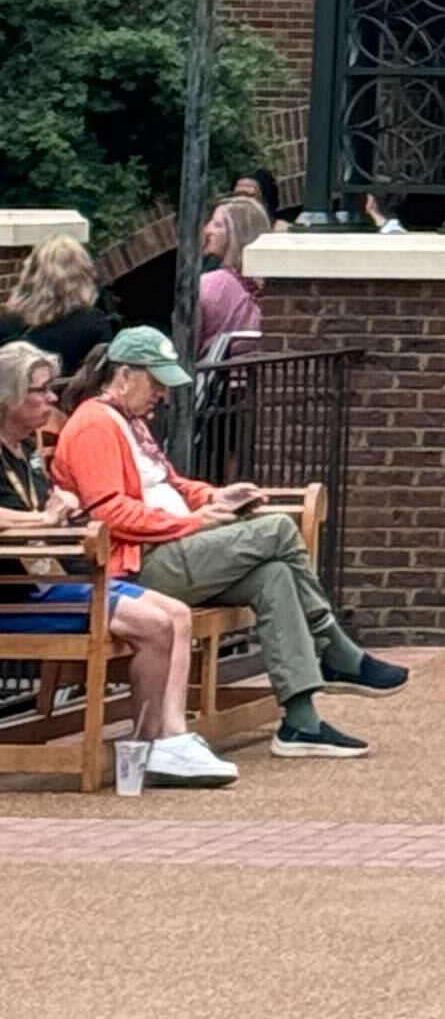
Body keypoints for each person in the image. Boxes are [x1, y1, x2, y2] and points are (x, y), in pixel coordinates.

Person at [52, 327, 407, 757]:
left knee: (273, 575)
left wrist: (215, 497)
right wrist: (192, 523)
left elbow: (170, 484)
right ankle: (332, 644)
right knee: (277, 529)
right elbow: (110, 513)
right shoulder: (94, 424)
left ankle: (300, 722)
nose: (162, 394)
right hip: (139, 564)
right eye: (156, 382)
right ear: (125, 375)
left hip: (173, 547)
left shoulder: (128, 422)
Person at [0, 342, 233, 785]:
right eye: (40, 391)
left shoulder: (25, 446)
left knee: (176, 613)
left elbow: (47, 503)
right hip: (19, 591)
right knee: (153, 624)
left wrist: (60, 502)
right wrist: (40, 518)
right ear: (8, 396)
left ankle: (163, 741)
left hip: (53, 577)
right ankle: (151, 746)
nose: (52, 399)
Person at [1, 233, 114, 379]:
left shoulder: (8, 320)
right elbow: (104, 377)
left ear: (31, 272)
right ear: (82, 274)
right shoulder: (93, 323)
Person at [194, 208, 262, 356]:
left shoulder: (209, 284)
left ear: (236, 234)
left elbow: (187, 343)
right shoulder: (272, 288)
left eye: (217, 225)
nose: (207, 230)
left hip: (211, 375)